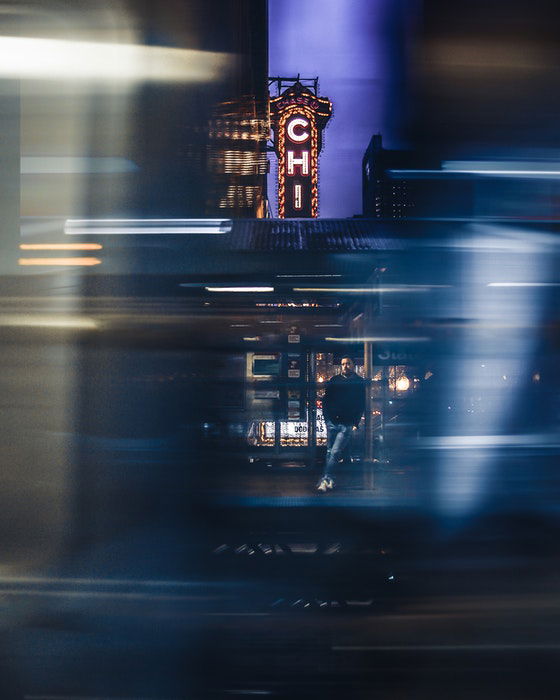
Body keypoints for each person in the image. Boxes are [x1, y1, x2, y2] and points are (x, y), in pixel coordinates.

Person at [317, 357, 366, 492]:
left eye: (348, 363)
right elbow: (326, 401)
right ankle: (329, 479)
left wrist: (355, 422)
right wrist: (327, 420)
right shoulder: (334, 380)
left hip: (346, 423)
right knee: (330, 452)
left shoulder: (359, 382)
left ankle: (326, 479)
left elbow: (361, 403)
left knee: (335, 451)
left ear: (353, 365)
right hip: (333, 422)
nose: (345, 366)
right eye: (343, 364)